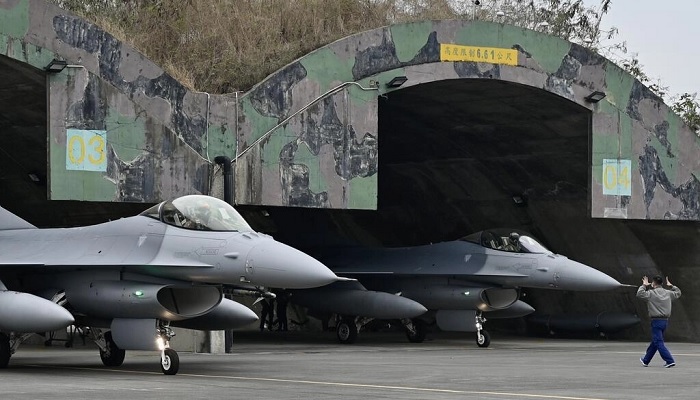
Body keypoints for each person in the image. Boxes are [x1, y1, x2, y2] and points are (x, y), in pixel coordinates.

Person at [636, 275, 681, 368]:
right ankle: (646, 360)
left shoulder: (651, 293)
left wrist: (644, 285)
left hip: (656, 321)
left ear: (653, 283)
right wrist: (671, 285)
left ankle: (669, 360)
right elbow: (678, 292)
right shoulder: (668, 293)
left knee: (658, 341)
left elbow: (639, 294)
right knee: (655, 341)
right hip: (665, 321)